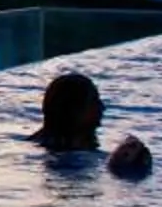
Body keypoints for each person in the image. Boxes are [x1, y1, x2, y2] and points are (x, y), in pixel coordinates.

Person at [25, 70, 153, 177]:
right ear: (76, 111)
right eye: (95, 102)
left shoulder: (35, 145)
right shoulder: (74, 162)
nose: (102, 108)